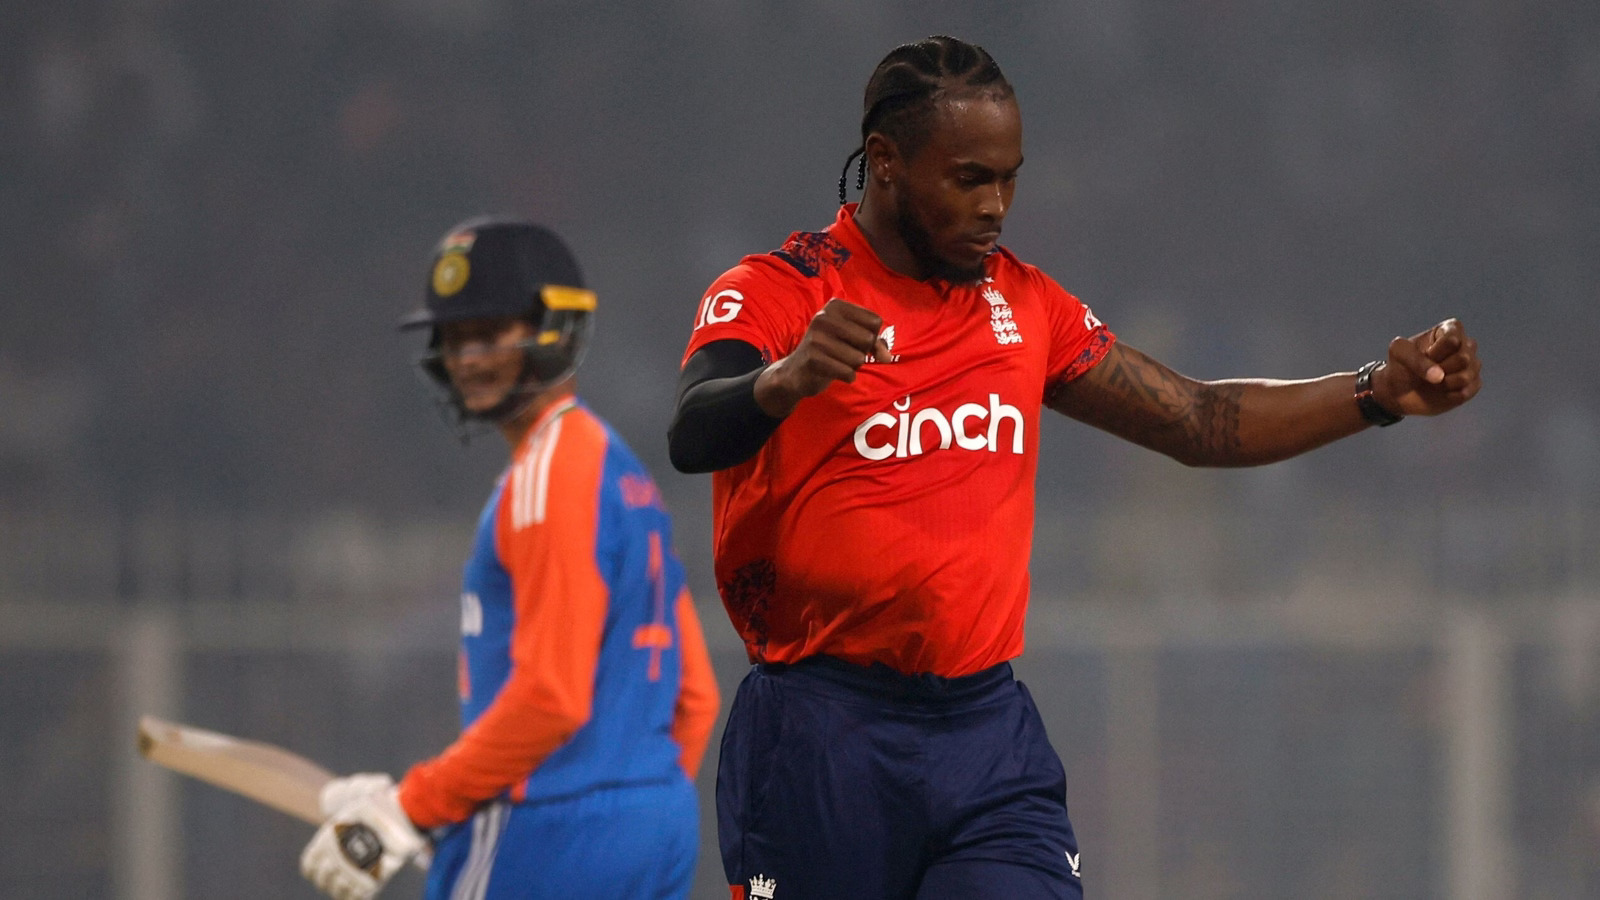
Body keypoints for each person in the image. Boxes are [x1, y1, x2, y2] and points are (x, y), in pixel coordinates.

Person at [668, 35, 1481, 900]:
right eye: (969, 178)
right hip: (820, 731)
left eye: (1008, 178)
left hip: (983, 733)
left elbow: (1197, 418)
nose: (995, 206)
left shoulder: (1024, 305)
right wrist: (785, 379)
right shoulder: (780, 291)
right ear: (887, 162)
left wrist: (1374, 393)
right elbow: (692, 430)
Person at [300, 217, 720, 900]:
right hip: (658, 822)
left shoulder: (546, 477)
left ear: (555, 328)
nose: (467, 358)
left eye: (490, 333)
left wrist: (411, 808)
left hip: (546, 822)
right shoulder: (621, 473)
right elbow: (695, 697)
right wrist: (629, 809)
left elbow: (552, 694)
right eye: (454, 338)